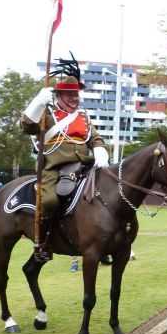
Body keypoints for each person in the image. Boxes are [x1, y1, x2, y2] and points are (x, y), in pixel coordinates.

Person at [21, 58, 110, 262]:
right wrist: (37, 103)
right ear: (58, 95)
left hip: (83, 166)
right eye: (69, 94)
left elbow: (95, 138)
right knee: (50, 200)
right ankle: (42, 242)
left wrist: (100, 150)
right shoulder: (48, 115)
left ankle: (102, 242)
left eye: (75, 94)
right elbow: (26, 126)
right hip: (55, 167)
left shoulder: (84, 117)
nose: (73, 98)